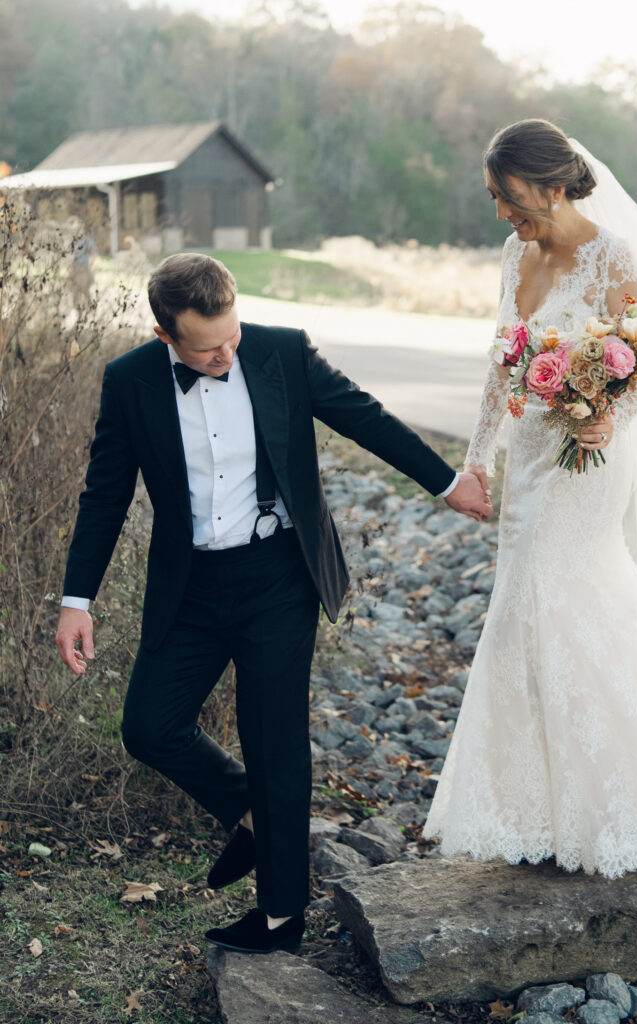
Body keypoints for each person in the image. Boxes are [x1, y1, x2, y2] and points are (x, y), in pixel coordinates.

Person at [55, 252, 491, 953]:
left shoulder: (281, 352)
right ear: (166, 335)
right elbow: (104, 495)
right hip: (189, 586)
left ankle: (281, 919)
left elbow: (364, 417)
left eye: (232, 335)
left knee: (274, 742)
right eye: (208, 348)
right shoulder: (131, 381)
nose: (228, 356)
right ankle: (255, 814)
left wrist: (446, 484)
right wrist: (78, 600)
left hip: (278, 577)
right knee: (149, 726)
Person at [423, 119, 637, 878]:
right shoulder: (515, 253)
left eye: (510, 198)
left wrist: (608, 415)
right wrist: (477, 460)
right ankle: (544, 803)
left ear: (552, 185)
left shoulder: (616, 255)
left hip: (591, 459)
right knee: (548, 608)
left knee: (545, 602)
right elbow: (500, 359)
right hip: (531, 463)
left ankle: (613, 797)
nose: (502, 214)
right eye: (492, 199)